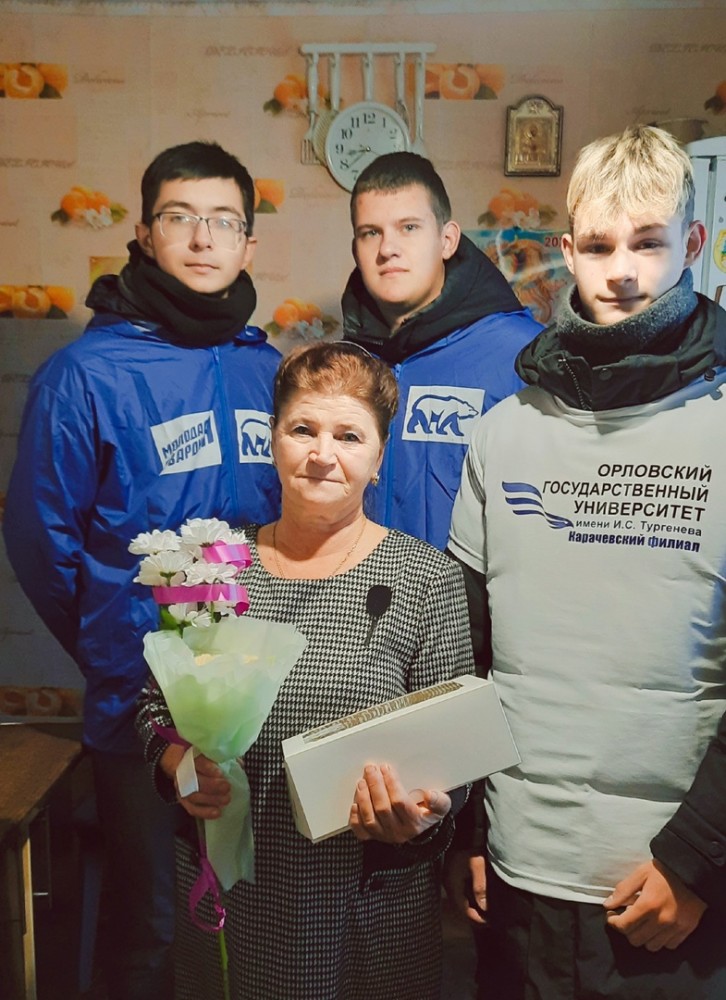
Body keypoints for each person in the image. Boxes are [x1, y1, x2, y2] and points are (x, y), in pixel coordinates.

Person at [447, 125, 726, 998]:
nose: (623, 272)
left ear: (693, 241)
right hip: (518, 879)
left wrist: (698, 864)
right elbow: (469, 656)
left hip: (674, 897)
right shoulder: (502, 434)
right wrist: (467, 834)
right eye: (600, 247)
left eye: (648, 243)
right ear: (567, 252)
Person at [2, 141, 281, 1000]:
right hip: (140, 712)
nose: (201, 238)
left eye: (223, 221)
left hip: (260, 703)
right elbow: (41, 544)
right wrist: (124, 651)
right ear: (144, 232)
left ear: (248, 242)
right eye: (179, 217)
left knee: (255, 923)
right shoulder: (85, 374)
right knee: (151, 931)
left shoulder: (268, 368)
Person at [136, 341, 476, 1000]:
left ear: (379, 458)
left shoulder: (427, 579)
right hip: (235, 899)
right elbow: (155, 711)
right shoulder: (214, 564)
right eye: (303, 429)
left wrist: (423, 815)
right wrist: (178, 767)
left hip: (365, 906)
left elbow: (453, 760)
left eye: (349, 436)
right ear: (273, 439)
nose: (322, 453)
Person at [341, 150, 542, 550]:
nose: (388, 248)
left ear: (447, 240)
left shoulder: (525, 357)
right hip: (356, 586)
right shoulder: (343, 366)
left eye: (409, 227)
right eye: (371, 233)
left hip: (473, 591)